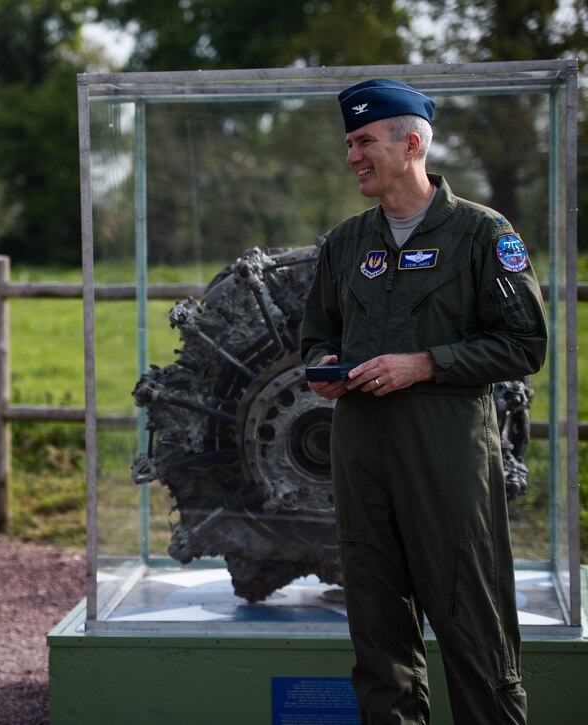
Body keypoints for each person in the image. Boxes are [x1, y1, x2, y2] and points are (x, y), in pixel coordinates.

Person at [301, 78, 548, 723]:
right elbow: (317, 336)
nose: (352, 155)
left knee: (475, 631)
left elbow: (524, 343)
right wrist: (323, 368)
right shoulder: (345, 244)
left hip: (447, 457)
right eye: (349, 142)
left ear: (411, 143)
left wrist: (427, 364)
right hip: (361, 457)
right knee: (378, 642)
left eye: (364, 141)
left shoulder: (482, 234)